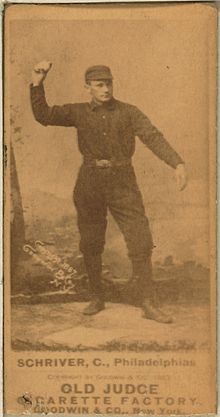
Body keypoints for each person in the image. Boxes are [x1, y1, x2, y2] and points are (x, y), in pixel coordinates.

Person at [30, 61, 187, 323]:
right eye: (99, 84)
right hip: (89, 182)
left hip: (123, 181)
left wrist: (177, 162)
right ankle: (96, 296)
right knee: (91, 241)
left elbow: (152, 136)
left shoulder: (128, 112)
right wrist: (37, 82)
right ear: (88, 88)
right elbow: (43, 115)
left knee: (141, 238)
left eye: (108, 83)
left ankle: (147, 302)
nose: (105, 89)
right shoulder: (78, 112)